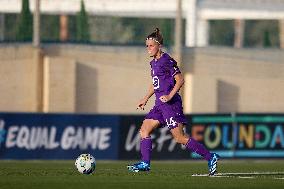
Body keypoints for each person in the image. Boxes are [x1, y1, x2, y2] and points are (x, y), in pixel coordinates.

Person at [127, 28, 220, 176]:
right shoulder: (153, 63)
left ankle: (210, 157)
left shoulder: (166, 60)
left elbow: (180, 80)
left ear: (159, 46)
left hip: (171, 104)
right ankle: (145, 163)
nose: (148, 49)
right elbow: (155, 83)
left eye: (151, 45)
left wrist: (170, 96)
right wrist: (145, 98)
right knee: (144, 129)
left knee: (179, 138)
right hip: (159, 105)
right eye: (146, 46)